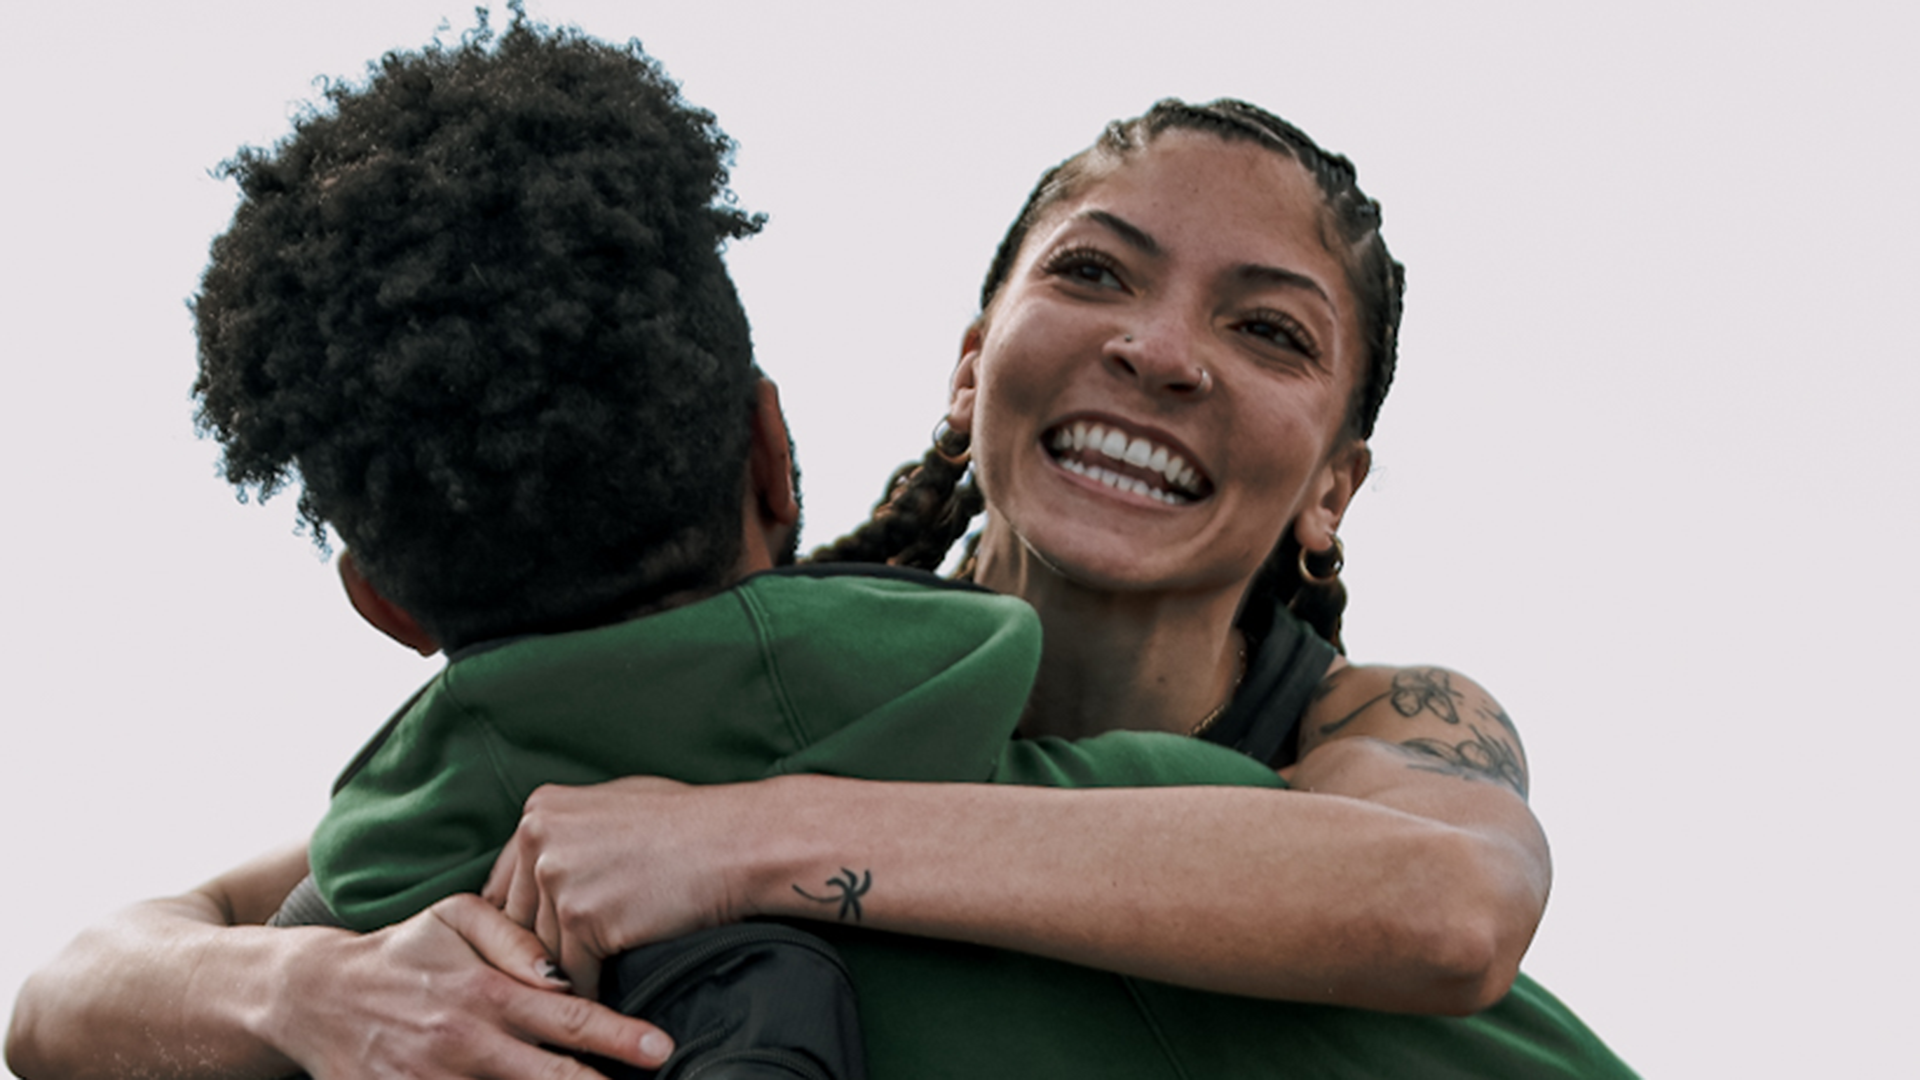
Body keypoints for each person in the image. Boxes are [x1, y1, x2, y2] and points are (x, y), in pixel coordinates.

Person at [5, 25, 1635, 1080]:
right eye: (1095, 275)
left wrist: (758, 840)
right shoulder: (734, 672)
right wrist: (305, 1000)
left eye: (1267, 330)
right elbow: (82, 983)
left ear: (1331, 487)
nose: (1162, 352)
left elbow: (1444, 909)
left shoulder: (1371, 724)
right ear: (968, 361)